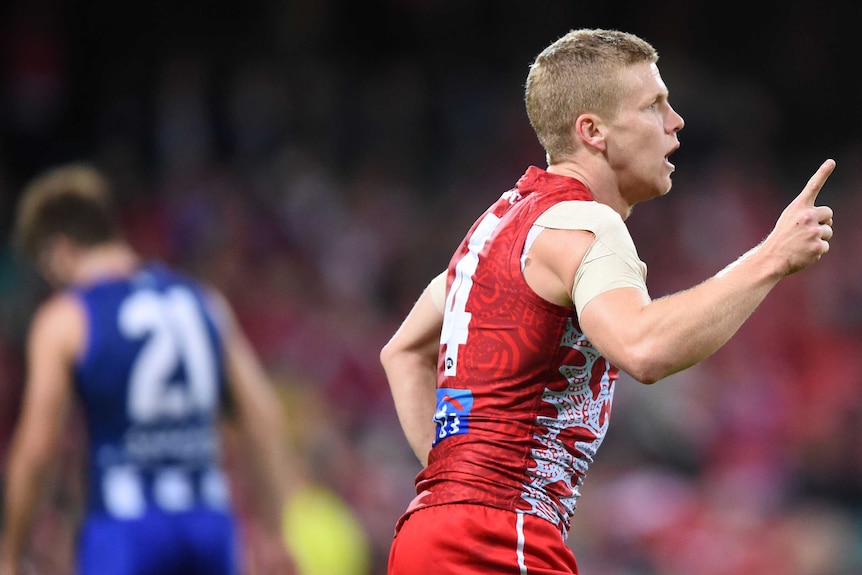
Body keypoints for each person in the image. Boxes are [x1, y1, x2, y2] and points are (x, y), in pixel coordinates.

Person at [381, 28, 835, 574]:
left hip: (430, 534)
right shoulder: (586, 222)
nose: (676, 122)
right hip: (501, 537)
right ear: (593, 131)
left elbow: (403, 351)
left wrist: (453, 475)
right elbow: (642, 347)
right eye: (654, 106)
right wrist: (773, 257)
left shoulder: (494, 229)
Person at [0, 163, 295, 575]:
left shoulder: (66, 318)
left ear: (59, 248)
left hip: (124, 526)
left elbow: (37, 448)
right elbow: (263, 416)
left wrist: (10, 552)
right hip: (207, 521)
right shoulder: (203, 301)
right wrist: (276, 529)